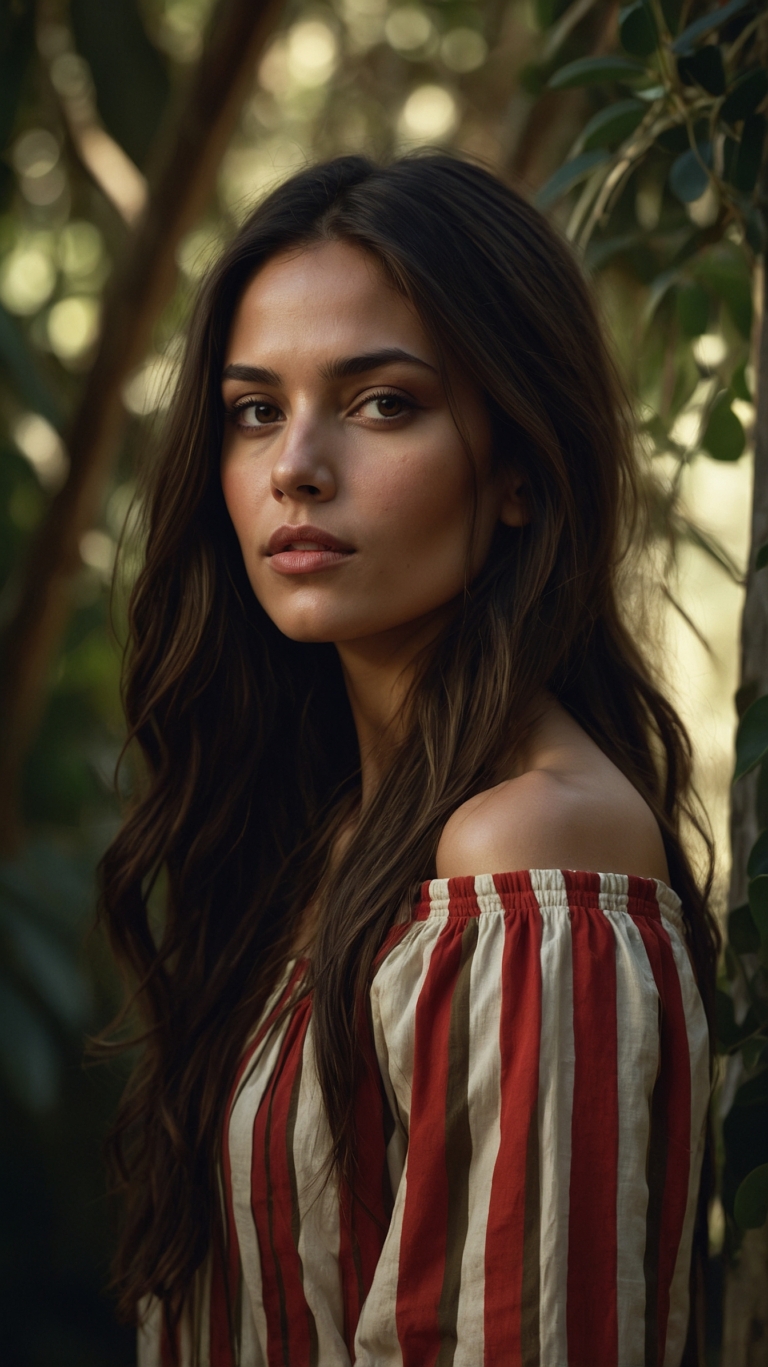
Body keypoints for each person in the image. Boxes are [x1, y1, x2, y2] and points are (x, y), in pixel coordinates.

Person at [100, 154, 718, 1367]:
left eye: (382, 402)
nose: (295, 467)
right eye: (254, 409)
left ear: (523, 475)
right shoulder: (321, 832)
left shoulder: (531, 851)